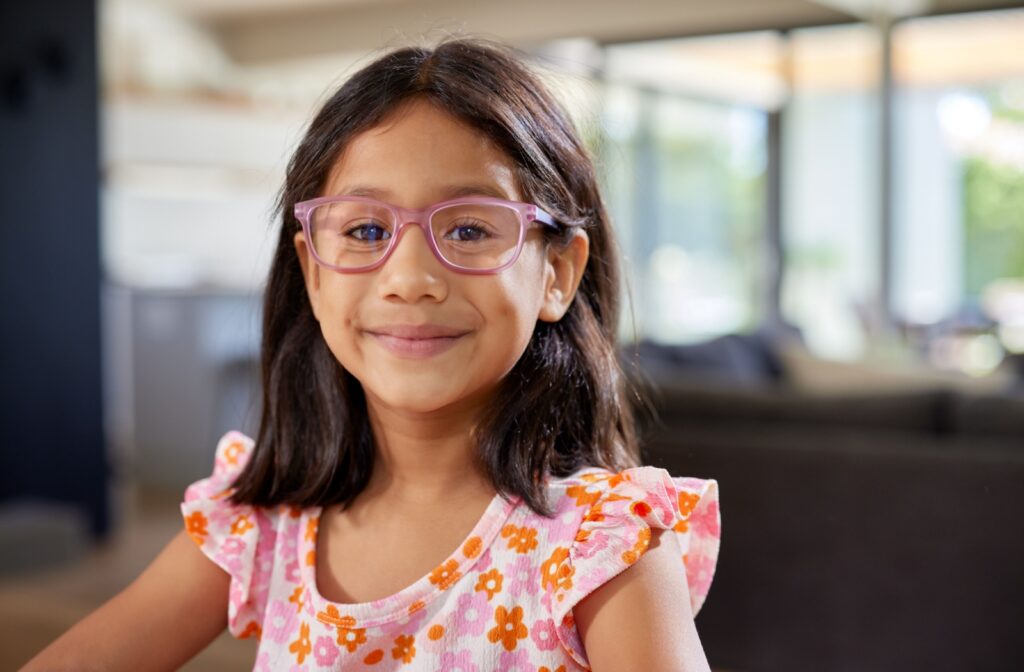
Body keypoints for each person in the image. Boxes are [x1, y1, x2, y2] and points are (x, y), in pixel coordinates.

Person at [23, 38, 720, 671]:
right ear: (313, 270)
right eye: (363, 228)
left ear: (558, 273)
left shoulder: (603, 547)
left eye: (471, 228)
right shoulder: (265, 524)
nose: (409, 279)